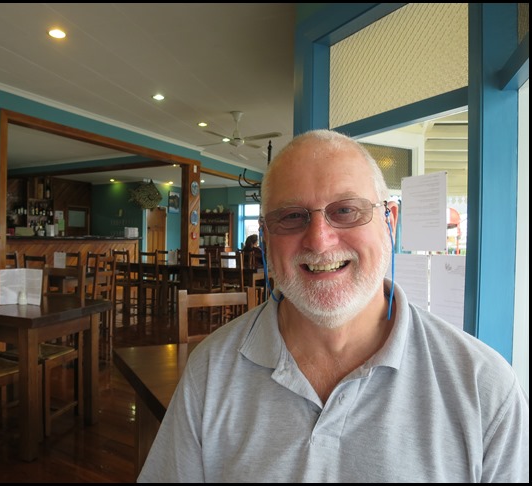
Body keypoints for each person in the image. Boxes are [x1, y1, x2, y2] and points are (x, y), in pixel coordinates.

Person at [137, 129, 529, 482]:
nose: (319, 241)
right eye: (292, 216)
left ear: (390, 222)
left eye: (345, 210)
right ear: (266, 238)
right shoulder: (210, 370)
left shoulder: (483, 387)